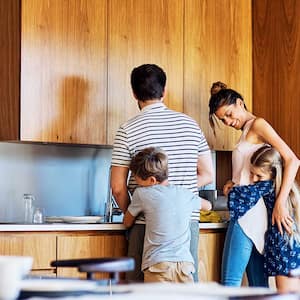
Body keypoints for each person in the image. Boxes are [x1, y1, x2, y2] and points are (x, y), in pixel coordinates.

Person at [111, 64, 214, 282]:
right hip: (186, 224)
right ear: (164, 91)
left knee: (142, 291)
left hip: (145, 224)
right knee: (185, 290)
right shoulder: (190, 125)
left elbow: (117, 187)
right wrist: (177, 195)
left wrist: (132, 213)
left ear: (134, 93)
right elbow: (207, 174)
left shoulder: (128, 129)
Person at [208, 81, 300, 286]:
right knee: (258, 285)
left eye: (230, 114)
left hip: (248, 213)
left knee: (229, 283)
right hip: (251, 210)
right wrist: (233, 182)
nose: (228, 121)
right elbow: (249, 171)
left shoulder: (258, 124)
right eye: (223, 119)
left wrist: (280, 203)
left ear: (240, 103)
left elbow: (292, 160)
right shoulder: (247, 131)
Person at [123, 147, 212, 283]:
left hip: (158, 265)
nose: (136, 182)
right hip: (184, 266)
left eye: (137, 179)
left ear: (152, 180)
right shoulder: (185, 194)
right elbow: (208, 206)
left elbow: (127, 222)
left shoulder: (142, 194)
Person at [228, 145, 300, 293]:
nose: (254, 179)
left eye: (259, 176)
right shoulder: (289, 189)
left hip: (283, 246)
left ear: (273, 174)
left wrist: (230, 188)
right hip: (291, 243)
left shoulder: (267, 185)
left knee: (287, 294)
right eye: (252, 174)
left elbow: (241, 195)